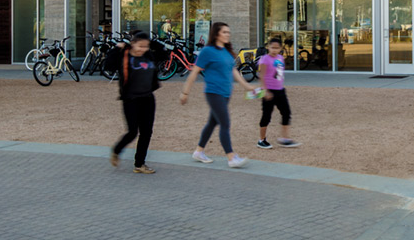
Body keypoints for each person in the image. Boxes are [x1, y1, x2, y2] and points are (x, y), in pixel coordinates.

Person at [180, 21, 257, 168]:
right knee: (225, 123)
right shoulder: (207, 51)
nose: (228, 35)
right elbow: (195, 71)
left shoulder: (226, 52)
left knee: (212, 123)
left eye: (228, 32)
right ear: (216, 34)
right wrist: (185, 92)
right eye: (224, 32)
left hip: (225, 93)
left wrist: (248, 87)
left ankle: (198, 151)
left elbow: (233, 71)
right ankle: (231, 157)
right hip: (213, 92)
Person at [110, 31, 161, 174]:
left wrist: (151, 43)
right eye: (140, 46)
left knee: (146, 132)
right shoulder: (124, 56)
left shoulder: (148, 55)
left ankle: (139, 164)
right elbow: (108, 64)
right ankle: (116, 150)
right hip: (130, 99)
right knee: (133, 131)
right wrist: (117, 48)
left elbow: (163, 54)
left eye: (146, 46)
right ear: (132, 44)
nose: (142, 49)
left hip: (148, 98)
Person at [255, 38, 301, 149]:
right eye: (272, 47)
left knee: (286, 113)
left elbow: (279, 74)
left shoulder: (280, 58)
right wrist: (265, 90)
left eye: (277, 48)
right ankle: (261, 140)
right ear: (268, 47)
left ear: (280, 48)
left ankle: (285, 138)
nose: (274, 50)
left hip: (280, 90)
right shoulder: (265, 59)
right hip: (269, 91)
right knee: (266, 116)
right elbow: (262, 75)